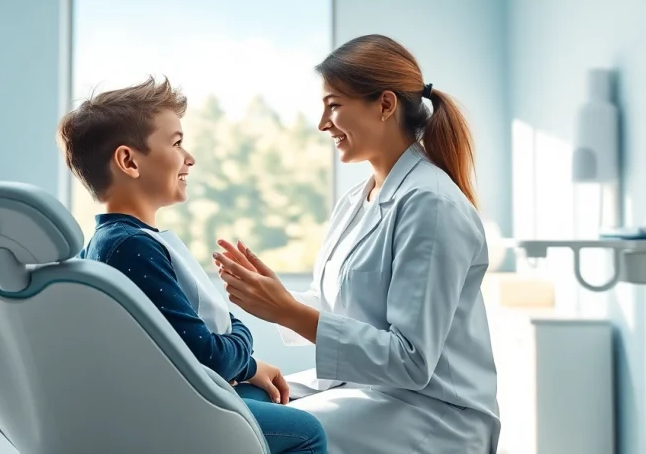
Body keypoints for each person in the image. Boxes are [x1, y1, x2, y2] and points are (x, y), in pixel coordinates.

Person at [213, 34, 501, 454]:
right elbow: (347, 307)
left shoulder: (431, 204)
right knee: (233, 403)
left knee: (241, 431)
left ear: (385, 105)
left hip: (431, 411)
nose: (322, 123)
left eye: (334, 105)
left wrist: (288, 311)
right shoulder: (357, 200)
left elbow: (411, 360)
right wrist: (275, 296)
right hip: (369, 392)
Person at [57, 77, 328, 454]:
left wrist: (247, 367)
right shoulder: (132, 248)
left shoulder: (111, 242)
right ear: (129, 161)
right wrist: (244, 349)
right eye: (177, 142)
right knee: (307, 431)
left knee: (260, 394)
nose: (190, 158)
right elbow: (208, 355)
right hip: (166, 415)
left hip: (160, 402)